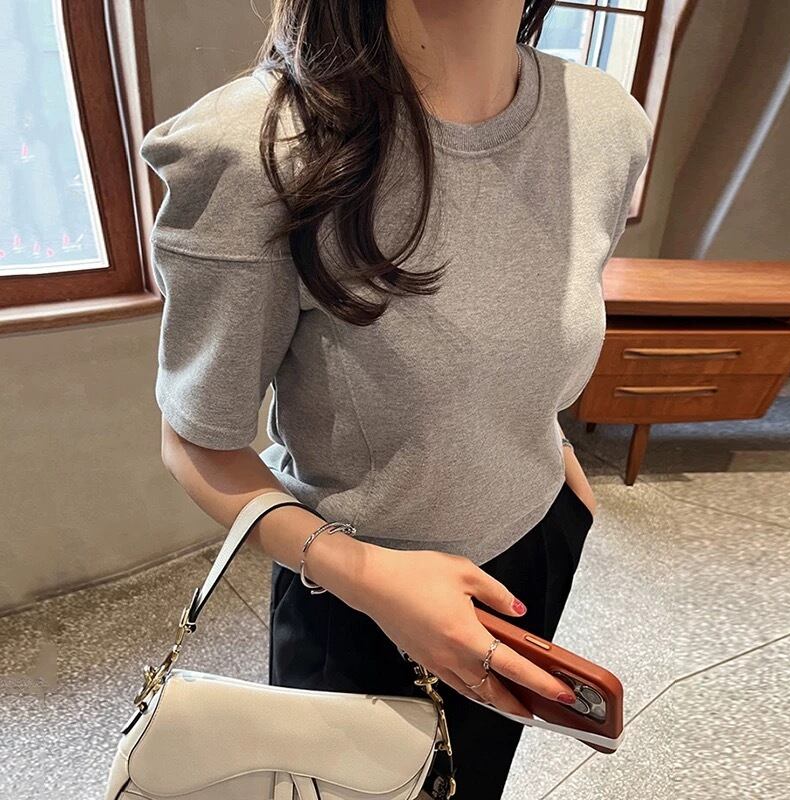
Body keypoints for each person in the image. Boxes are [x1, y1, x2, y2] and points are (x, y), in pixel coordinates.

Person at [139, 1, 653, 797]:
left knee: (474, 780)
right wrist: (371, 579)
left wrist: (556, 477)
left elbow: (523, 340)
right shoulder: (258, 151)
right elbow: (196, 442)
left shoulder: (603, 120)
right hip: (356, 593)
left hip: (532, 550)